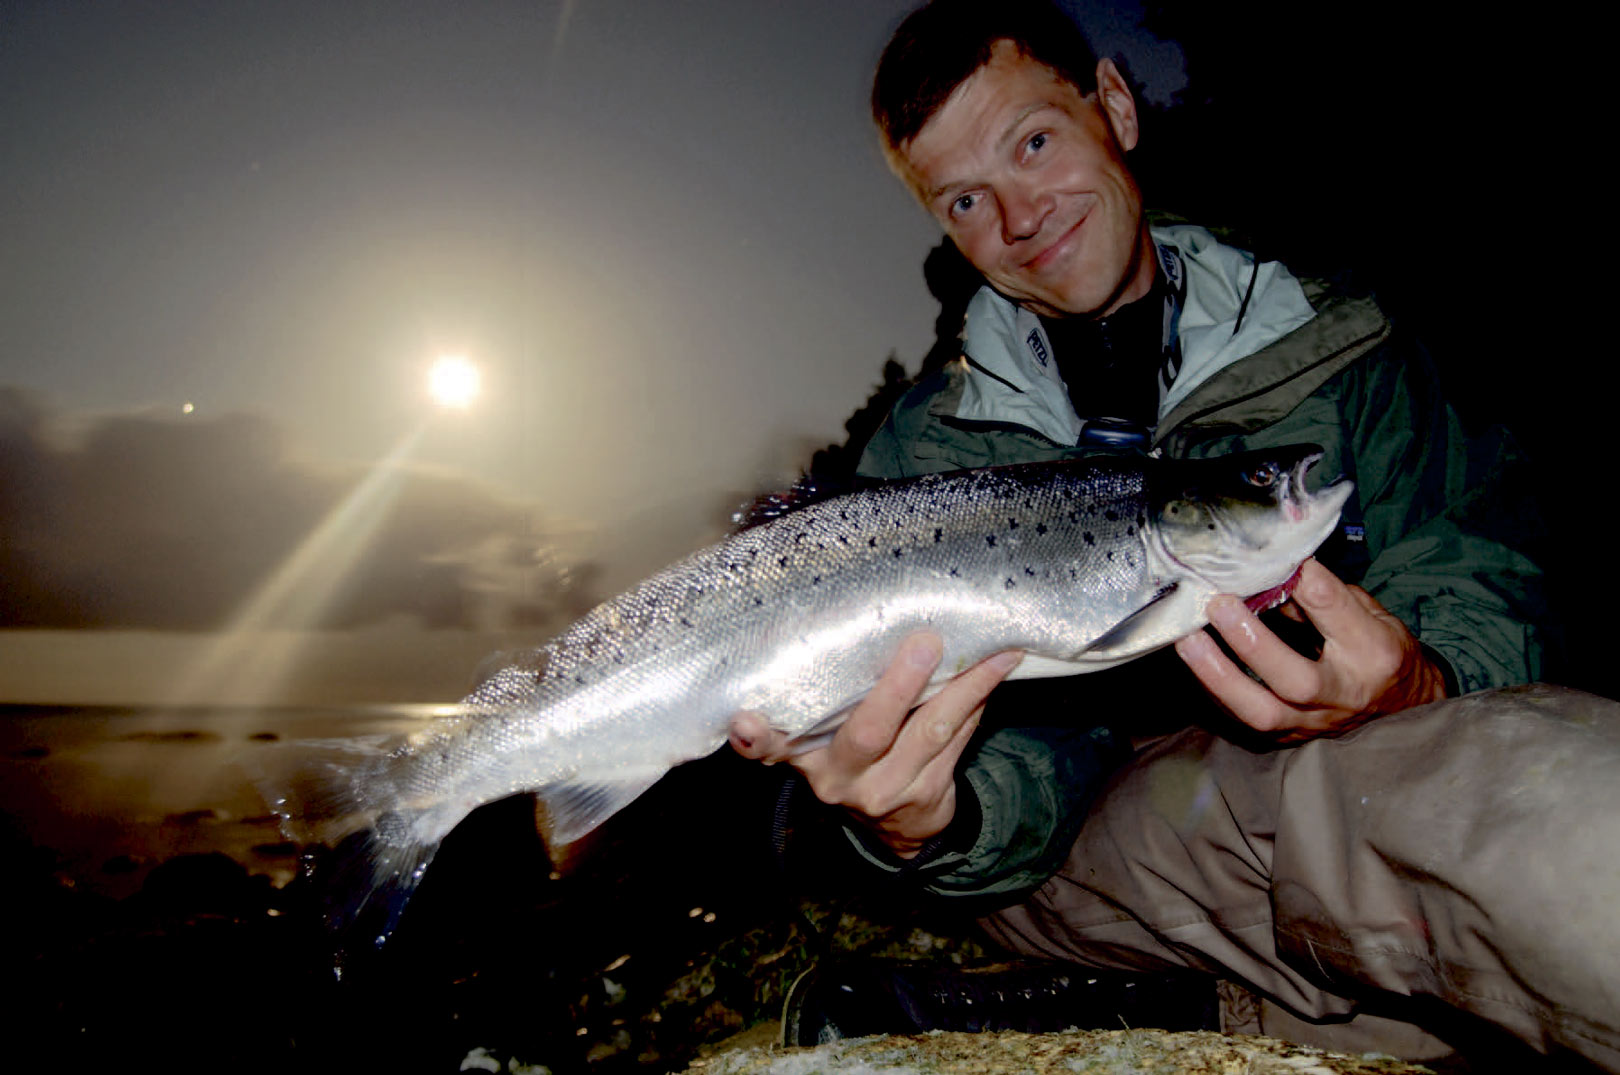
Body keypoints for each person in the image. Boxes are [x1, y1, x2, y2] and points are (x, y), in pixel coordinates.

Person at [729, 1, 1620, 1067]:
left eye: (1034, 143)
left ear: (1114, 105)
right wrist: (929, 819)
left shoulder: (1347, 339)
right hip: (1086, 845)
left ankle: (1166, 1009)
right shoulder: (923, 455)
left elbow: (1487, 558)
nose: (1019, 216)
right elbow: (1012, 759)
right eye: (965, 199)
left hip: (1379, 775)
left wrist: (1421, 681)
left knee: (1516, 829)